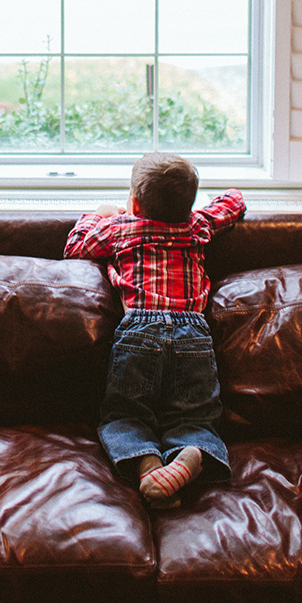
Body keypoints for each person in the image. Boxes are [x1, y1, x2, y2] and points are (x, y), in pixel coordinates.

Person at [64, 152, 245, 509]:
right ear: (189, 203)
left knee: (126, 414)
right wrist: (219, 197)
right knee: (194, 415)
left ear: (133, 202)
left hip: (140, 329)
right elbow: (233, 203)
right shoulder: (198, 225)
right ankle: (191, 451)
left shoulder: (120, 230)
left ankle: (148, 466)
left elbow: (74, 248)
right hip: (193, 331)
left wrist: (98, 215)